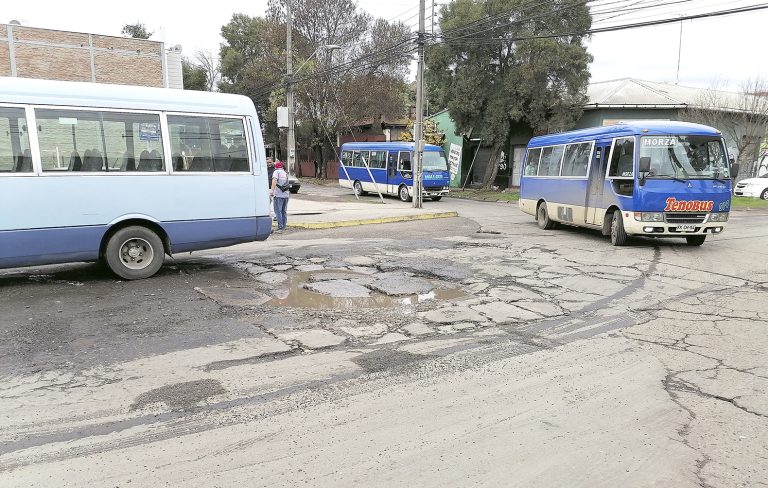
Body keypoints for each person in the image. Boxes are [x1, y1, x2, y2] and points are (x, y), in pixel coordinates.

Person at [271, 161, 290, 231]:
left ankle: (280, 226)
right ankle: (284, 226)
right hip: (286, 195)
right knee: (283, 211)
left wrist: (272, 191)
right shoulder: (285, 173)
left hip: (278, 195)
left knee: (277, 211)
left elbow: (274, 181)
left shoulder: (276, 172)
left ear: (275, 167)